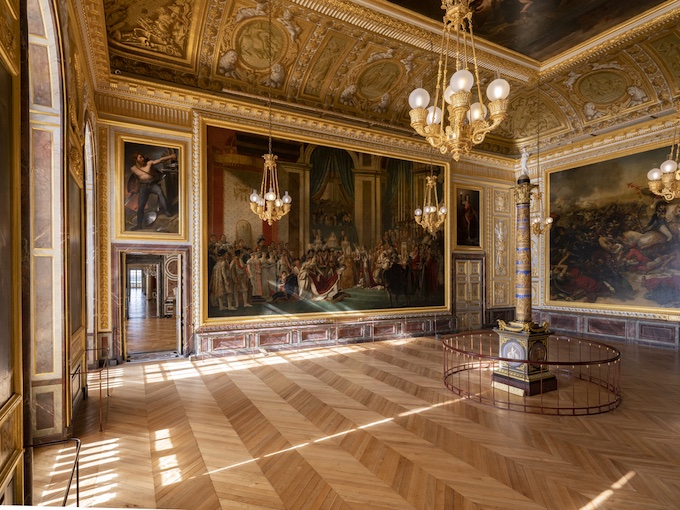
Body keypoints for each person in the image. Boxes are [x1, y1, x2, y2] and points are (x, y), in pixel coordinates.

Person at [129, 151, 176, 230]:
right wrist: (136, 189)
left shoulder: (149, 163)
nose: (143, 158)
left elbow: (161, 160)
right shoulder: (133, 169)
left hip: (152, 185)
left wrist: (171, 156)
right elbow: (137, 179)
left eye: (143, 157)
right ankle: (139, 225)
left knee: (160, 193)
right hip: (143, 187)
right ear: (136, 160)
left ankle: (167, 211)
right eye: (140, 157)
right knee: (141, 206)